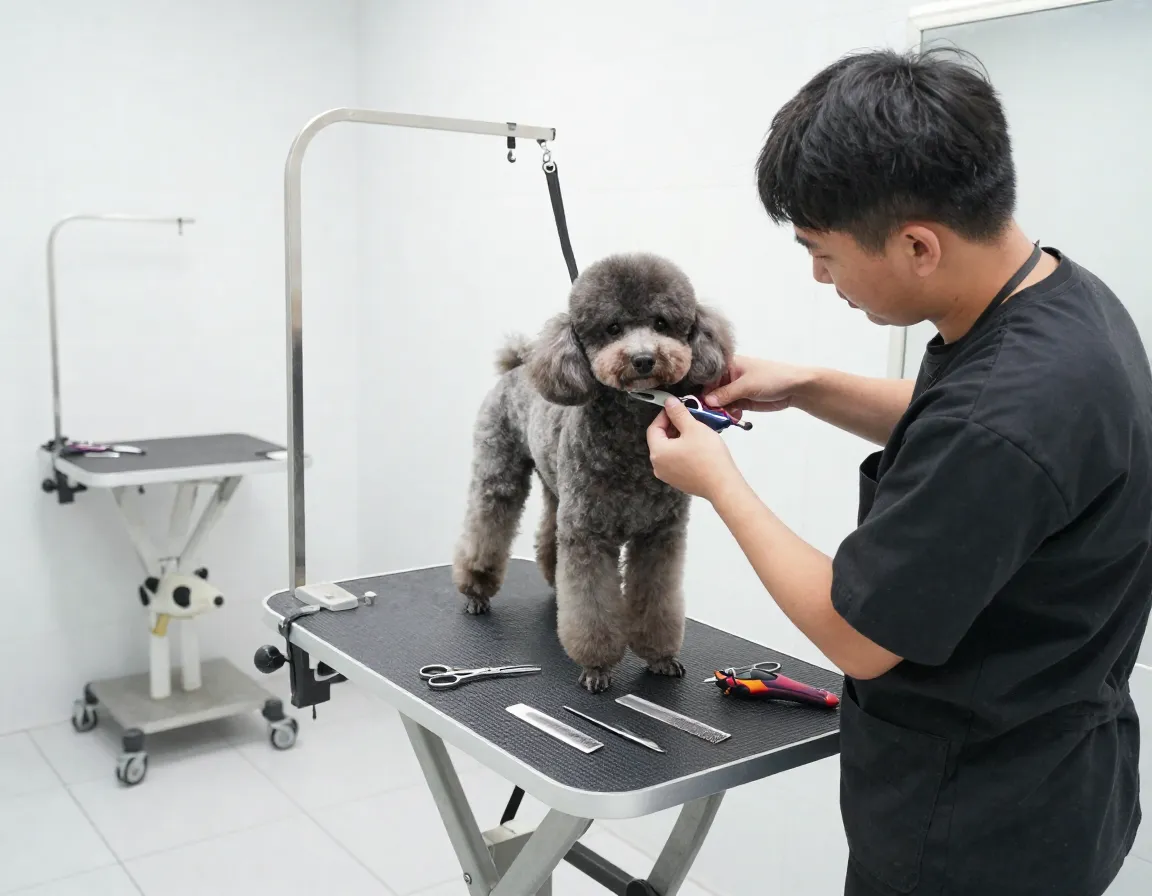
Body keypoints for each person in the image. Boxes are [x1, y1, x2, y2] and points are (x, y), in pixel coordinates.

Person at [646, 47, 1149, 896]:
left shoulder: (1003, 416)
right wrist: (805, 386)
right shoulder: (1062, 301)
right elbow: (956, 427)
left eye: (824, 252)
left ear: (918, 244)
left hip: (972, 834)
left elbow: (858, 635)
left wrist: (718, 482)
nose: (817, 274)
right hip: (1064, 779)